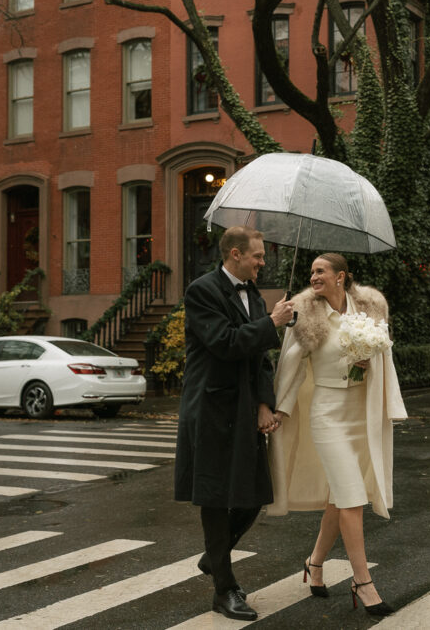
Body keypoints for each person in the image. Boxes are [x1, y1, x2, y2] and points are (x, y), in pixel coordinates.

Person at [268, 253, 407, 617]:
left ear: (340, 276)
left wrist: (367, 359)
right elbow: (291, 364)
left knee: (340, 496)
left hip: (361, 412)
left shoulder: (370, 307)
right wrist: (279, 408)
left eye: (320, 271)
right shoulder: (305, 313)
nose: (313, 277)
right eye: (312, 271)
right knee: (351, 499)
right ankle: (363, 582)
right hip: (327, 413)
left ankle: (314, 564)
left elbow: (385, 355)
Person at [174, 226, 295, 621]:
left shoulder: (256, 297)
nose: (263, 262)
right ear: (235, 254)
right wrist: (271, 324)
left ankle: (214, 556)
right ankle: (224, 590)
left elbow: (260, 358)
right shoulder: (201, 291)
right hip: (210, 409)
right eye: (258, 256)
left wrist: (265, 403)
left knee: (254, 492)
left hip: (245, 408)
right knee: (214, 496)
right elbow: (225, 342)